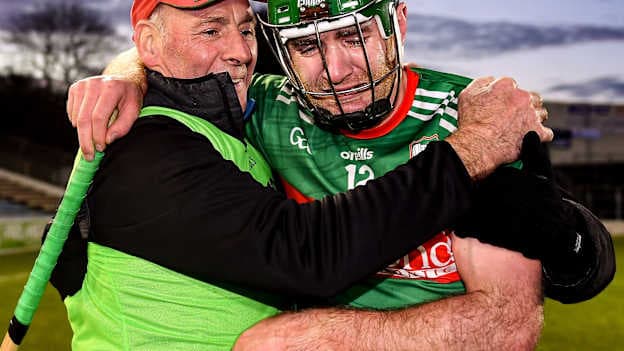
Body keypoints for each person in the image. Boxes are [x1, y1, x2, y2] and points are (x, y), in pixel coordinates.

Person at [62, 0, 615, 350]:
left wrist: (316, 337)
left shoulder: (474, 121)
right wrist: (127, 77)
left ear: (397, 21)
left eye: (354, 37)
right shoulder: (267, 108)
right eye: (305, 45)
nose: (336, 68)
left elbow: (507, 325)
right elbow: (187, 67)